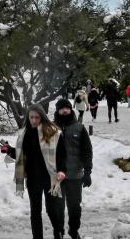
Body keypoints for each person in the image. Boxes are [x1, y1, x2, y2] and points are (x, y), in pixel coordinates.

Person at [0, 103, 66, 239]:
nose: (34, 120)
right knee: (35, 212)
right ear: (28, 118)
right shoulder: (24, 133)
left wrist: (62, 170)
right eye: (31, 117)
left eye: (37, 117)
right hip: (32, 179)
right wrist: (8, 149)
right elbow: (21, 155)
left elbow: (62, 154)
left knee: (51, 210)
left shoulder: (53, 132)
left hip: (50, 178)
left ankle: (59, 232)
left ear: (42, 117)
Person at [53, 99, 93, 239]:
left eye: (67, 108)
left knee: (74, 207)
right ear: (57, 110)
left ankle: (73, 231)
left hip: (75, 175)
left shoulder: (79, 128)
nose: (64, 110)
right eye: (61, 108)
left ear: (71, 109)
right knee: (57, 207)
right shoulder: (51, 128)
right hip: (56, 176)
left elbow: (87, 151)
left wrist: (87, 172)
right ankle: (58, 232)